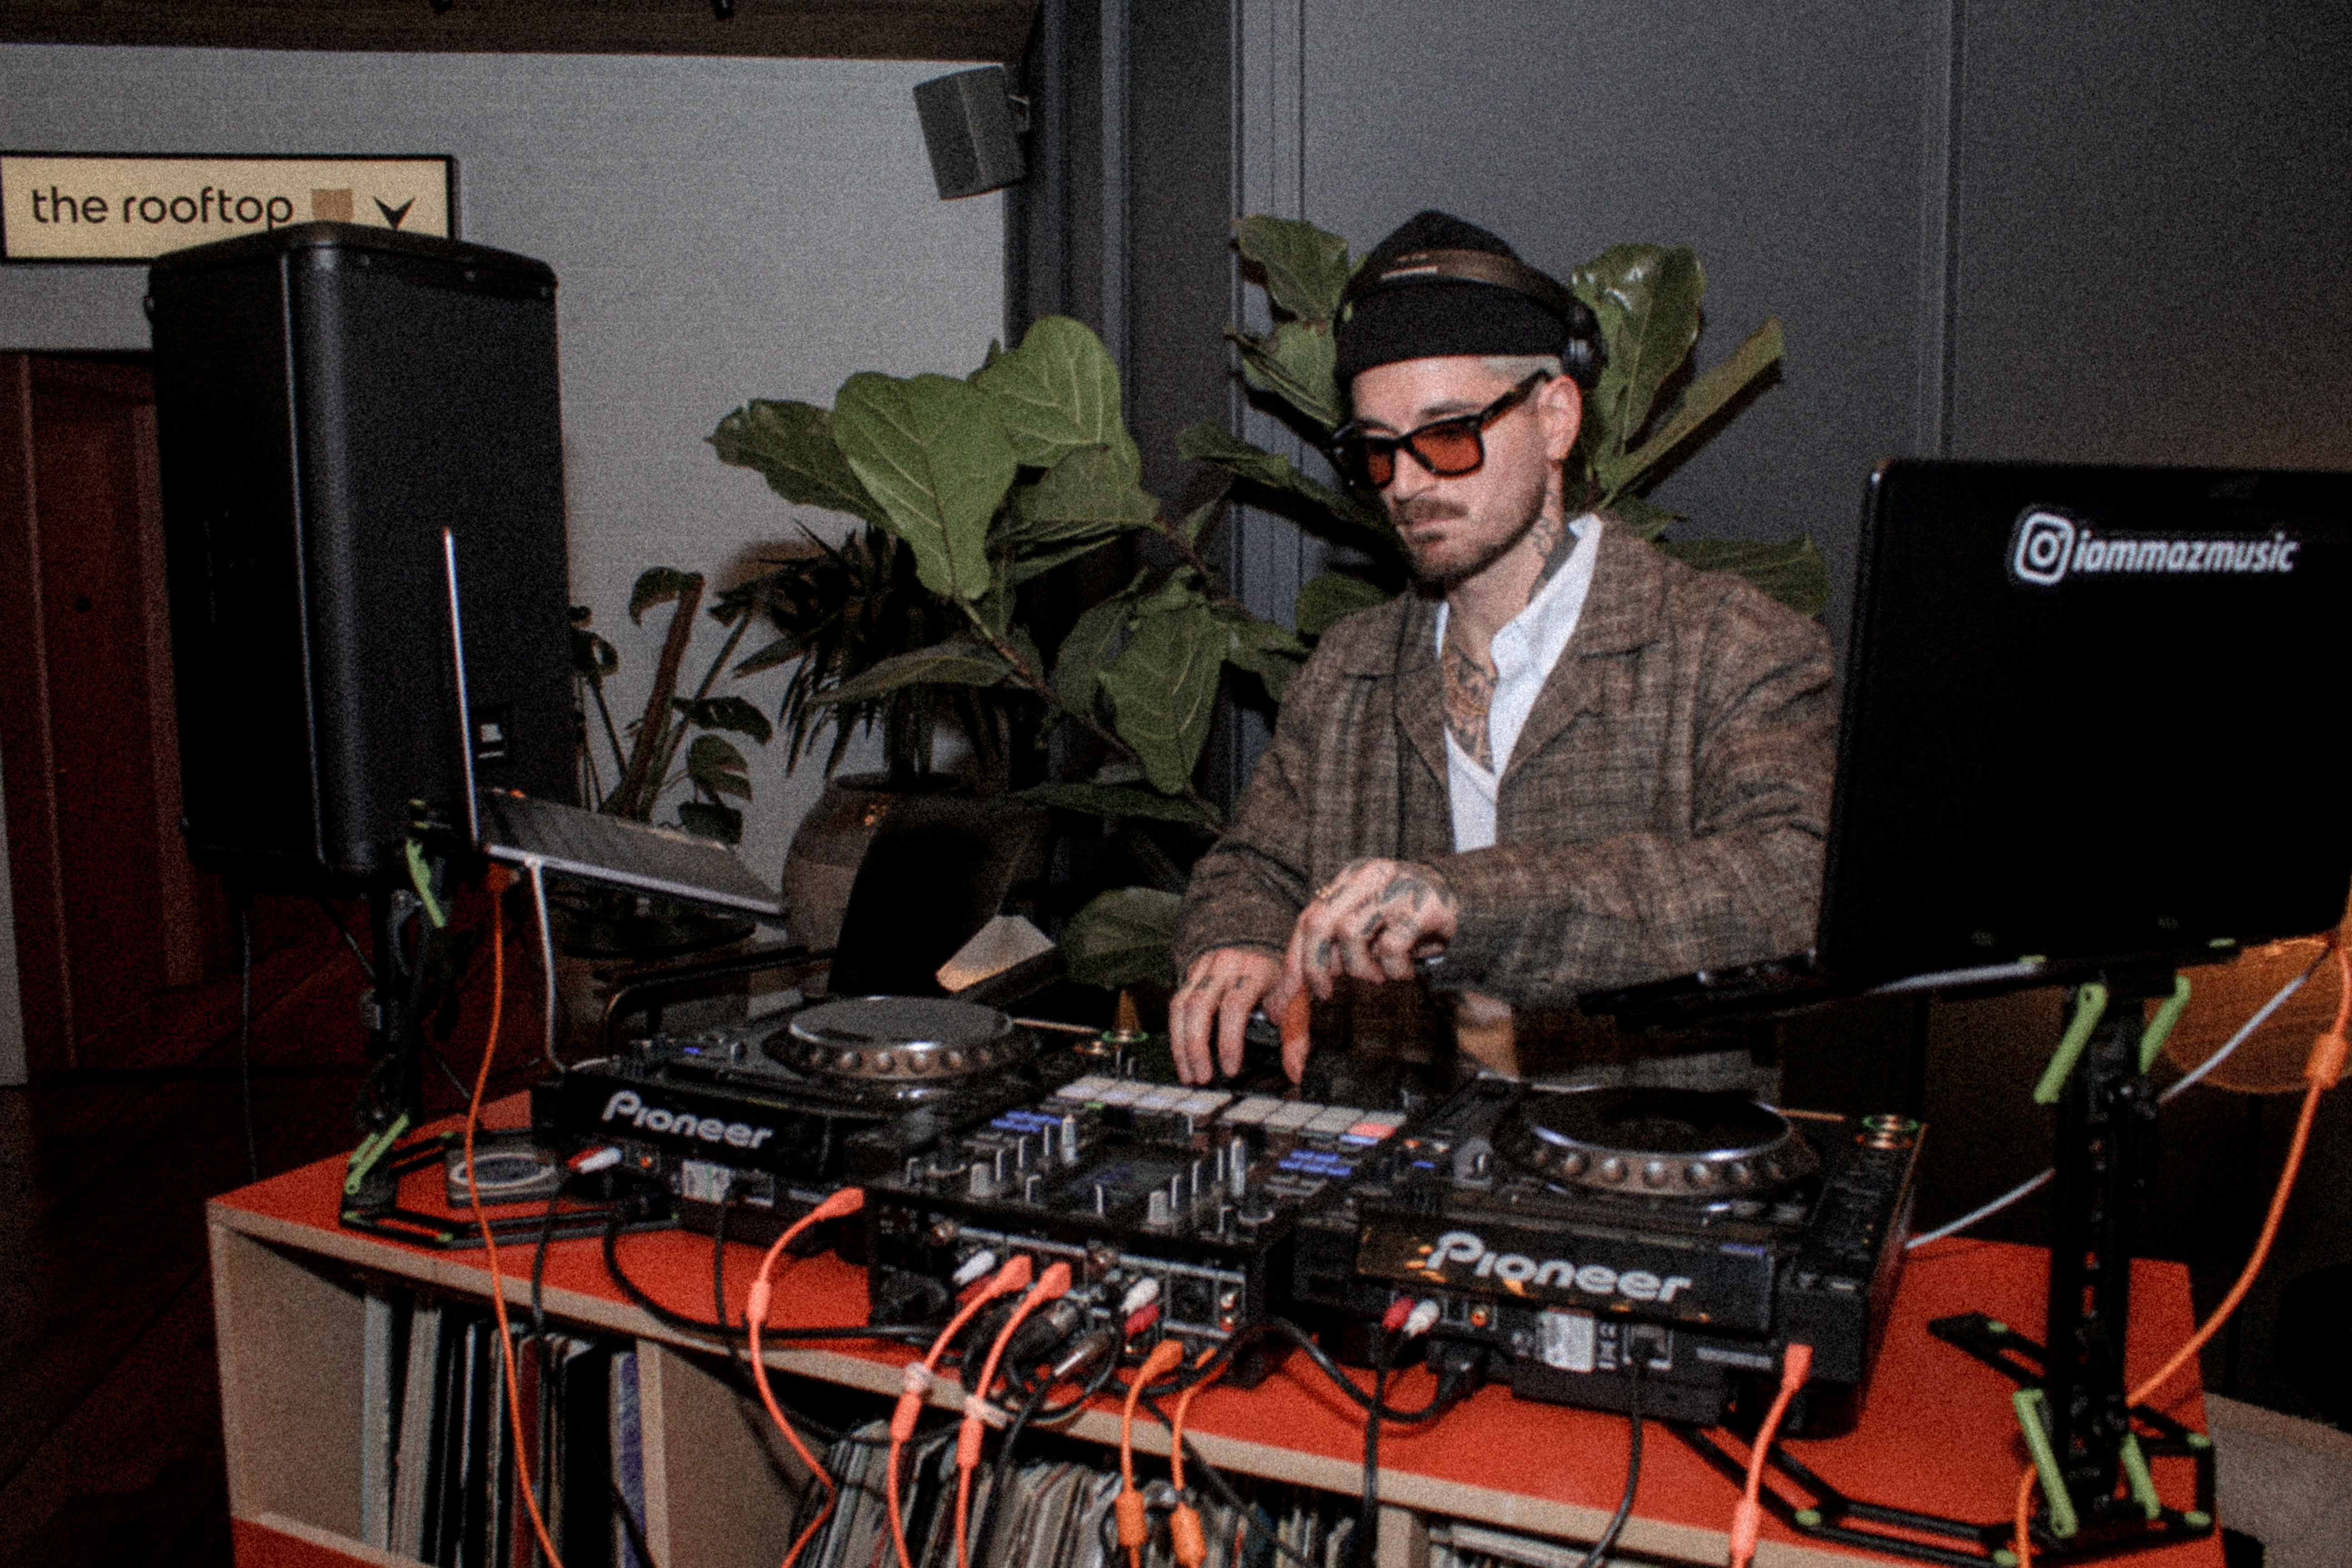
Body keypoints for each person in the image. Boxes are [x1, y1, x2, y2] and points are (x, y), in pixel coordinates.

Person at [1168, 210, 1834, 1087]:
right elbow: (1255, 864)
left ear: (1556, 417)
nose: (1406, 484)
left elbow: (1790, 889)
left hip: (1639, 1186)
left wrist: (1468, 903)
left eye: (1447, 435)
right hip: (1406, 1183)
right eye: (1376, 452)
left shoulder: (1733, 647)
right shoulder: (1350, 671)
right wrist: (1238, 939)